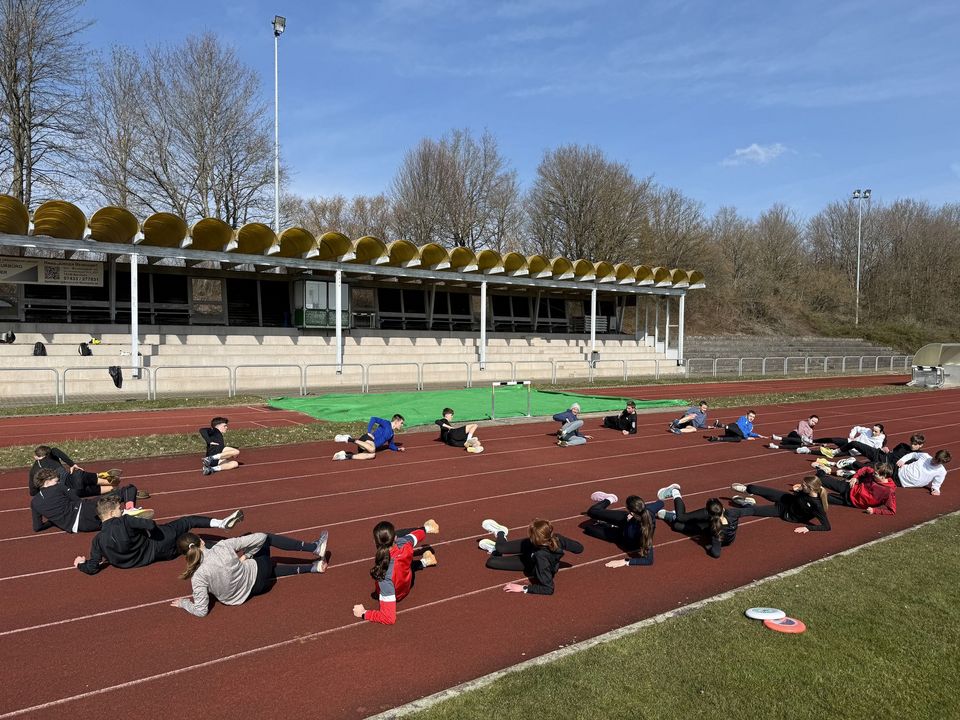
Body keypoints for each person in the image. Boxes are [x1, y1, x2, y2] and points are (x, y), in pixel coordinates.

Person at [172, 529, 330, 617]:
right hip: (257, 577)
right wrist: (247, 555)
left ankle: (313, 567)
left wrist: (184, 603)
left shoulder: (197, 576)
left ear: (186, 555)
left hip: (244, 595)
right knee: (265, 538)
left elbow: (201, 610)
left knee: (265, 567)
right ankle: (313, 548)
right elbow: (260, 538)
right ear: (202, 541)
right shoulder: (223, 546)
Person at [74, 497, 245, 574]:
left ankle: (228, 554)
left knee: (189, 543)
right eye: (120, 509)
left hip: (157, 557)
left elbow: (92, 567)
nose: (123, 510)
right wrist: (136, 519)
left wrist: (81, 564)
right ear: (111, 512)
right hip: (159, 541)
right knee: (188, 522)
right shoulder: (126, 520)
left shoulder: (97, 541)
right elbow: (150, 524)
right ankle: (222, 524)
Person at [353, 519, 438, 624]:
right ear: (396, 538)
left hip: (397, 594)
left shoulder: (384, 575)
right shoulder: (405, 542)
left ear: (374, 542)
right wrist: (426, 528)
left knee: (397, 569)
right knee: (403, 565)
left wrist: (363, 613)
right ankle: (425, 561)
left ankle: (425, 562)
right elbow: (416, 535)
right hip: (407, 581)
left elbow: (389, 618)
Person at [478, 518, 583, 594]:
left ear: (534, 537)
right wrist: (563, 543)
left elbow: (548, 588)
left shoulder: (541, 557)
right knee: (501, 548)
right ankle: (501, 532)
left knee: (491, 562)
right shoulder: (557, 538)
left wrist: (522, 588)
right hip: (534, 546)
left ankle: (495, 548)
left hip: (529, 562)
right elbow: (579, 549)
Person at [30, 468, 151, 533]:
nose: (58, 482)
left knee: (111, 521)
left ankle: (125, 515)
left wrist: (53, 521)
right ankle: (130, 509)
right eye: (56, 481)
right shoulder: (58, 487)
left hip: (79, 527)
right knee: (128, 489)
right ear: (47, 482)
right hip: (85, 510)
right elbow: (76, 499)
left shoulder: (34, 503)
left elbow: (37, 527)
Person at [581, 487, 674, 566]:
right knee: (592, 512)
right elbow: (660, 503)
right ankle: (610, 498)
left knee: (589, 529)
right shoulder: (648, 510)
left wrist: (625, 561)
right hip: (625, 521)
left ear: (631, 512)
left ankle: (610, 525)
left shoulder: (644, 532)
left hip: (622, 537)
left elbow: (649, 561)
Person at [657, 487, 748, 559]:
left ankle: (673, 516)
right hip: (709, 523)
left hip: (708, 528)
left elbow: (716, 553)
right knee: (681, 518)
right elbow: (716, 553)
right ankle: (675, 492)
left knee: (676, 526)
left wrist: (709, 546)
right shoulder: (713, 516)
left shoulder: (727, 520)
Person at [730, 477, 830, 533]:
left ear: (810, 488)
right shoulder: (807, 491)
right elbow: (800, 495)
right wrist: (799, 489)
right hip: (787, 499)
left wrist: (808, 528)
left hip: (785, 512)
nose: (801, 485)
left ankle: (747, 503)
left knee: (753, 510)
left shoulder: (817, 506)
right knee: (753, 488)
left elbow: (826, 527)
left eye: (803, 485)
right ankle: (747, 491)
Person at [28, 445, 124, 498]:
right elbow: (55, 450)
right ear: (48, 454)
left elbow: (33, 492)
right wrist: (72, 464)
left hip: (68, 492)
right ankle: (102, 475)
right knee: (111, 480)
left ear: (35, 457)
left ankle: (116, 490)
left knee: (98, 490)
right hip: (76, 477)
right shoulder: (51, 455)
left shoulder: (33, 471)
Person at [814, 464, 896, 515]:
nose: (873, 474)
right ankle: (822, 471)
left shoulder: (888, 491)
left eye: (876, 474)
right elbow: (865, 469)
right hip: (850, 487)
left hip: (851, 502)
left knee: (820, 498)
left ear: (883, 476)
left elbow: (892, 511)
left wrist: (874, 511)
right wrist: (855, 477)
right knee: (821, 479)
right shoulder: (873, 473)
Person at [334, 415, 406, 461]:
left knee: (372, 455)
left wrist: (398, 449)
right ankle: (348, 438)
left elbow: (391, 445)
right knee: (372, 449)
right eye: (401, 423)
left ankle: (344, 456)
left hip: (366, 447)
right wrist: (369, 432)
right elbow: (373, 418)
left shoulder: (392, 433)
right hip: (367, 439)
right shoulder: (386, 423)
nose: (402, 425)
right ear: (396, 421)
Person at [819, 424, 886, 461]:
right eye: (873, 430)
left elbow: (875, 451)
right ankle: (814, 442)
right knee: (833, 440)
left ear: (881, 432)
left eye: (876, 431)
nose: (873, 432)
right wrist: (852, 435)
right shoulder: (868, 430)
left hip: (852, 451)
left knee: (830, 455)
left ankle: (810, 451)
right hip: (849, 442)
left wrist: (882, 450)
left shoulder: (879, 441)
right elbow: (856, 428)